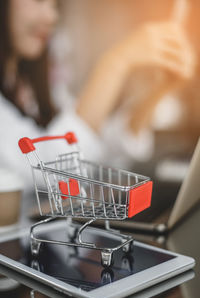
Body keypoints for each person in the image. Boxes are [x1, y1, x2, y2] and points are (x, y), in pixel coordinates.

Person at [0, 0, 196, 192]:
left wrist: (156, 93)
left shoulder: (34, 88)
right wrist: (116, 62)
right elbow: (54, 172)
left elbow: (99, 152)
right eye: (38, 1)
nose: (52, 17)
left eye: (54, 5)